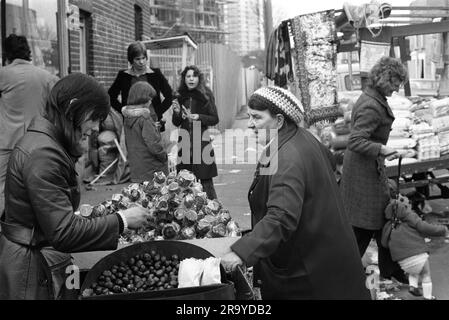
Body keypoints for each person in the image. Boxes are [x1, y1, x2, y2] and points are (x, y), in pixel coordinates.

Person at [0, 73, 151, 300]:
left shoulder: (44, 144)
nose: (96, 128)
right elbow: (64, 232)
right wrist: (123, 220)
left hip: (34, 259)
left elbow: (49, 215)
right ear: (73, 109)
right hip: (29, 270)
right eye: (94, 118)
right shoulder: (43, 154)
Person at [220, 86, 370, 300]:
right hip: (322, 256)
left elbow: (281, 216)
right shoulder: (301, 139)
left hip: (309, 271)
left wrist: (242, 252)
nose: (250, 124)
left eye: (257, 117)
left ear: (279, 120)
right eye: (249, 117)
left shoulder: (287, 157)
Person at [340, 56, 409, 283]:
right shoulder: (371, 104)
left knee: (382, 220)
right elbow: (356, 141)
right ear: (385, 79)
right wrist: (382, 149)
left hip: (366, 170)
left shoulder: (372, 97)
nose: (398, 88)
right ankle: (344, 273)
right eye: (396, 82)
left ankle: (390, 269)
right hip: (364, 173)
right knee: (365, 225)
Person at [0, 34, 59, 214]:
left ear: (6, 54)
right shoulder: (47, 77)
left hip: (7, 144)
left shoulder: (3, 74)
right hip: (36, 144)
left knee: (2, 189)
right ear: (28, 53)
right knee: (37, 189)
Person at [382, 189, 449, 299]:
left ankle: (413, 287)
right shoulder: (410, 217)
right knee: (426, 274)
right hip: (417, 254)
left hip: (403, 262)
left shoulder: (389, 225)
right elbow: (424, 228)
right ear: (405, 207)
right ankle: (428, 297)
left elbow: (384, 243)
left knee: (413, 272)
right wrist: (442, 230)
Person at [172, 66, 219, 200]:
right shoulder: (179, 95)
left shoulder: (206, 94)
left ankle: (215, 212)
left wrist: (199, 117)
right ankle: (186, 214)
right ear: (184, 79)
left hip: (202, 143)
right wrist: (176, 113)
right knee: (184, 183)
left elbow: (215, 118)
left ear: (199, 78)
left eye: (194, 76)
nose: (191, 79)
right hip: (185, 143)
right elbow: (176, 122)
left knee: (206, 182)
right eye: (188, 76)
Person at [108, 41, 173, 132]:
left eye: (144, 58)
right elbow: (110, 96)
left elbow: (170, 95)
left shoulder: (155, 74)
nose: (142, 62)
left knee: (154, 145)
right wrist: (123, 111)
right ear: (131, 60)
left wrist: (158, 112)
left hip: (153, 122)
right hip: (131, 124)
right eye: (137, 59)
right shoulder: (123, 76)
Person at [122, 81, 168, 183]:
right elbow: (153, 143)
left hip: (137, 167)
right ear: (142, 98)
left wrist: (155, 126)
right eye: (149, 98)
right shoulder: (145, 118)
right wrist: (164, 156)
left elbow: (136, 137)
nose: (151, 101)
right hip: (152, 168)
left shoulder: (127, 117)